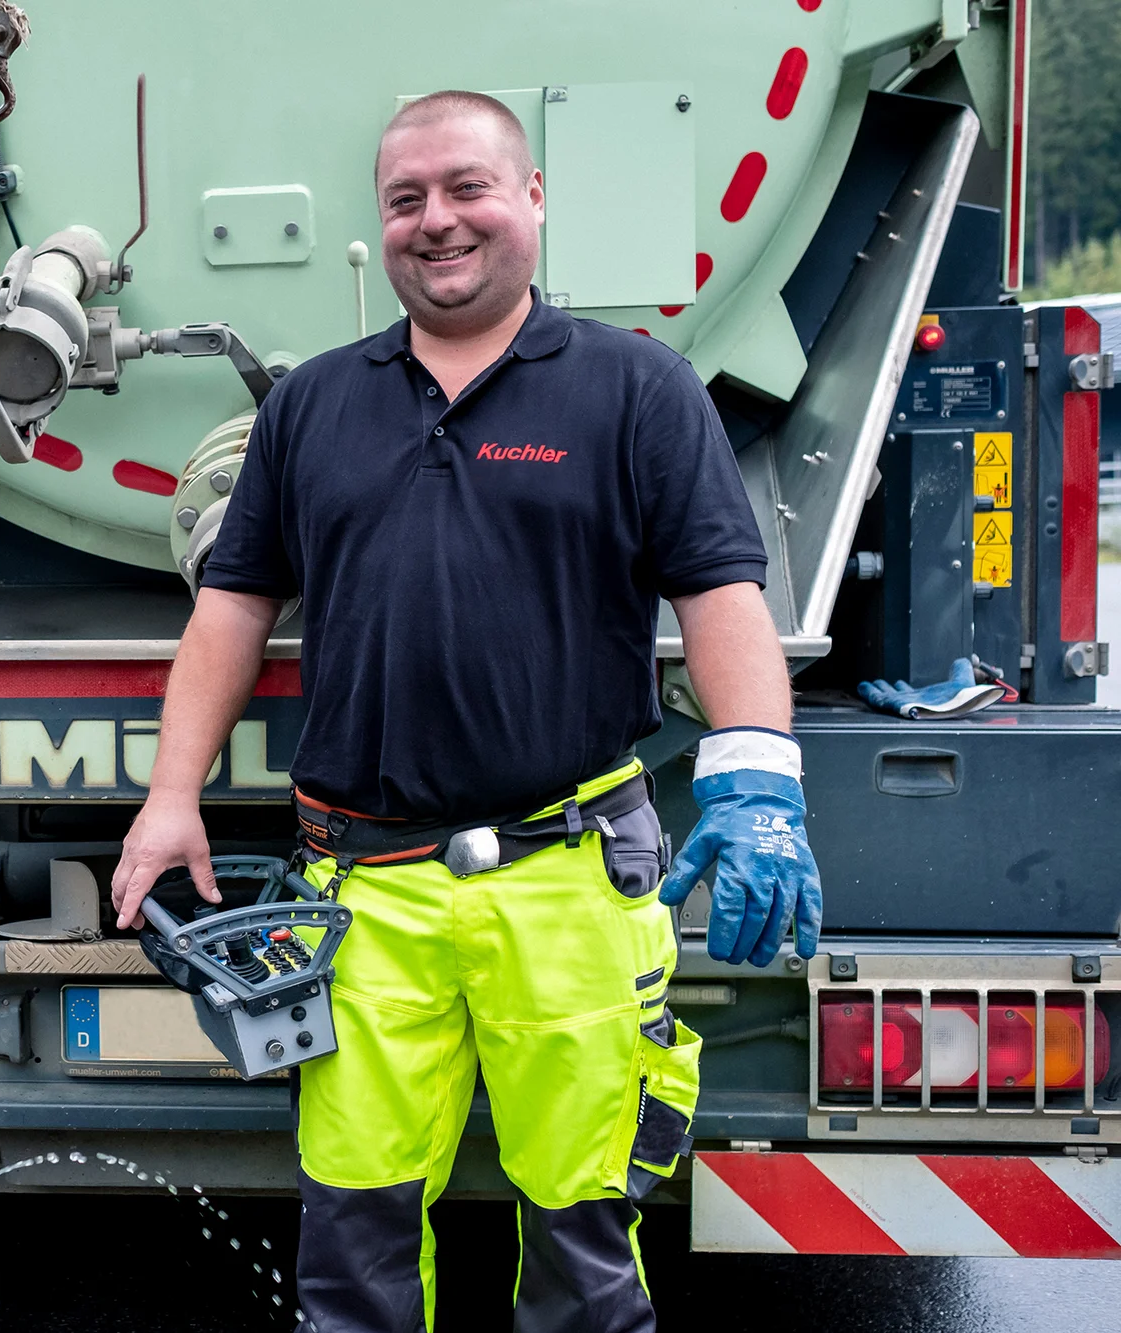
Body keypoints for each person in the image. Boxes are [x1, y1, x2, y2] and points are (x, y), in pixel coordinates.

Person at [110, 91, 822, 1333]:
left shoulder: (636, 388)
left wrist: (758, 777)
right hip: (363, 897)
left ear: (531, 198)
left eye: (466, 189)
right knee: (353, 1236)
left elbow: (718, 594)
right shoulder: (310, 405)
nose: (435, 221)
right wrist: (171, 795)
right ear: (377, 223)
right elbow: (229, 610)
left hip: (569, 882)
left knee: (584, 1235)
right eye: (405, 200)